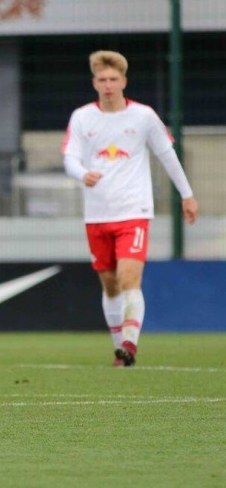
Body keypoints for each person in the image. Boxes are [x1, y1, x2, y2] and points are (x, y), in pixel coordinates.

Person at [62, 50, 198, 367]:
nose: (108, 84)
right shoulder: (82, 117)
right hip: (96, 214)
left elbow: (167, 155)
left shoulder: (143, 116)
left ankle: (130, 344)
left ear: (124, 81)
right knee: (110, 286)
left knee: (128, 278)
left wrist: (187, 194)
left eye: (113, 79)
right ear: (94, 83)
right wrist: (83, 174)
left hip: (134, 211)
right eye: (102, 79)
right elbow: (69, 157)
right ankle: (119, 351)